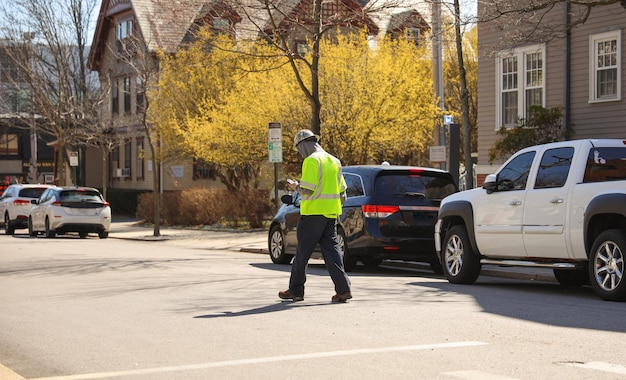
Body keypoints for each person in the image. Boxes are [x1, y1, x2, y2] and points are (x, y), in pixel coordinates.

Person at [278, 129, 352, 303]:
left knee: (302, 253)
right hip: (331, 214)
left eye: (298, 148)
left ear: (303, 144)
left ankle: (296, 290)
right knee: (333, 253)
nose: (300, 152)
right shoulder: (334, 161)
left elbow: (308, 189)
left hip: (313, 214)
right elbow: (343, 193)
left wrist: (295, 186)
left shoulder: (311, 161)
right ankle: (343, 290)